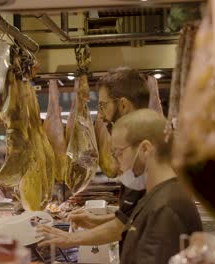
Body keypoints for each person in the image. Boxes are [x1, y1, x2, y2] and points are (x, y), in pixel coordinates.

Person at [38, 110, 202, 264]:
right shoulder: (156, 197)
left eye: (119, 153)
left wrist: (71, 239)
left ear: (145, 149)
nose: (117, 166)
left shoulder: (167, 206)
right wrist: (93, 223)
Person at [66, 67, 150, 246]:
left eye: (103, 105)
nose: (101, 116)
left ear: (123, 105)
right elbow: (133, 217)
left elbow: (125, 226)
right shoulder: (138, 144)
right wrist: (93, 220)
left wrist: (68, 239)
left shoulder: (141, 151)